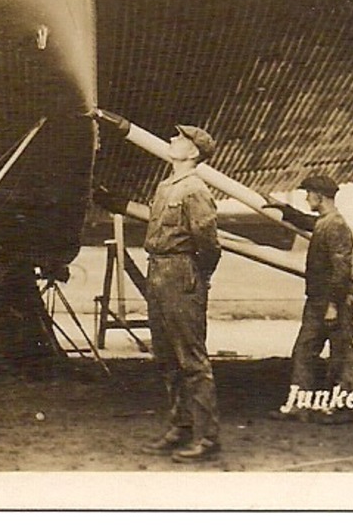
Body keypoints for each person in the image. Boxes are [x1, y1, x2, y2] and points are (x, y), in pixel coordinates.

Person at [140, 124, 223, 462]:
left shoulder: (195, 190)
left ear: (192, 152)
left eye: (181, 139)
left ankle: (207, 438)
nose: (172, 140)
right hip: (158, 271)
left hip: (181, 273)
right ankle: (181, 426)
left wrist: (196, 277)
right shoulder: (165, 187)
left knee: (191, 359)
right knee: (166, 357)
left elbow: (209, 243)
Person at [285, 173, 353, 418]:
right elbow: (309, 222)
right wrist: (283, 210)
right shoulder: (326, 222)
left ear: (320, 196)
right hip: (319, 301)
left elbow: (342, 271)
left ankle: (344, 408)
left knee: (341, 355)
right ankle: (300, 405)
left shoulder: (336, 226)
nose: (306, 198)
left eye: (309, 193)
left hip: (332, 302)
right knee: (304, 352)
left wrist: (334, 306)